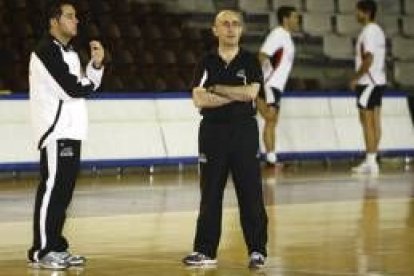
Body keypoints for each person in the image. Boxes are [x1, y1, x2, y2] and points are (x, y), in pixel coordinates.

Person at [182, 10, 268, 269]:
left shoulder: (250, 60)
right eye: (225, 24)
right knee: (210, 193)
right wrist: (236, 94)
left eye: (235, 24)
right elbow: (198, 98)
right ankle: (205, 251)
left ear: (241, 30)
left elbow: (252, 93)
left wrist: (217, 89)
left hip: (244, 132)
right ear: (214, 30)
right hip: (212, 132)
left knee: (250, 192)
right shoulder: (205, 61)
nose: (231, 29)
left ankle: (257, 250)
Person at [28, 0, 104, 270]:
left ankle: (57, 246)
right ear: (54, 21)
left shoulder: (69, 52)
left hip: (72, 131)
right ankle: (42, 250)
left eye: (75, 16)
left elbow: (84, 84)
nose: (76, 21)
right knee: (52, 190)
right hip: (55, 131)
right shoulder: (45, 51)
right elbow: (71, 89)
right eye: (70, 16)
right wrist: (89, 80)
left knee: (64, 192)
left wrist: (95, 66)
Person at [256, 6, 299, 166]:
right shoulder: (278, 35)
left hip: (275, 85)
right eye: (294, 17)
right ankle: (269, 159)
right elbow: (262, 55)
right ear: (285, 19)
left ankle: (271, 158)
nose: (297, 20)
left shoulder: (286, 37)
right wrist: (261, 78)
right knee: (270, 119)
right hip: (269, 84)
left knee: (271, 121)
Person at [351, 0, 386, 174]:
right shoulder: (378, 30)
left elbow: (369, 58)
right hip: (377, 81)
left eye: (357, 12)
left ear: (366, 12)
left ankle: (371, 161)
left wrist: (355, 78)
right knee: (374, 122)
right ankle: (372, 159)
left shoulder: (369, 32)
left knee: (367, 123)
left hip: (368, 82)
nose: (355, 15)